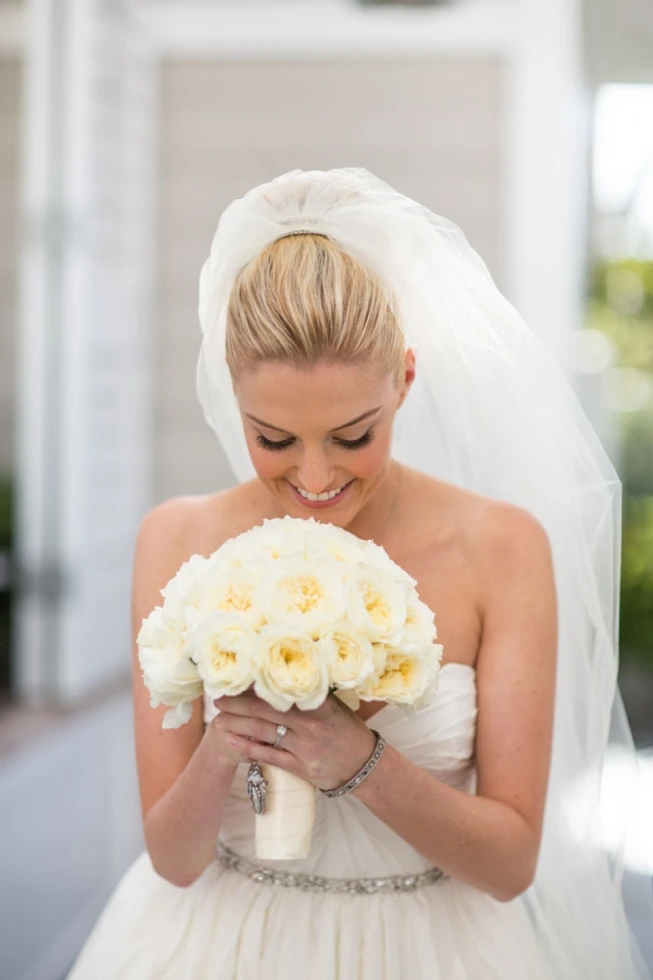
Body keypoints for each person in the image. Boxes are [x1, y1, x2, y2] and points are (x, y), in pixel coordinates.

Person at [67, 168, 652, 978]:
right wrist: (223, 745)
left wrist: (356, 762)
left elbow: (510, 865)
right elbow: (173, 858)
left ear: (403, 380)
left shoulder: (501, 546)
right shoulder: (177, 539)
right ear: (233, 397)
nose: (313, 478)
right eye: (273, 439)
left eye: (351, 436)